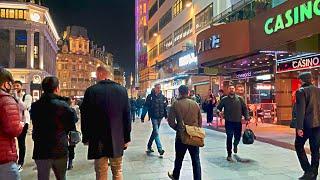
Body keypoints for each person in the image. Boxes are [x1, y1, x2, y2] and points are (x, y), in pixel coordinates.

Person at [81, 66, 131, 180]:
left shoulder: (91, 91)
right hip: (117, 137)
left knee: (101, 171)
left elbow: (85, 117)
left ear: (100, 74)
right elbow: (127, 116)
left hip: (97, 138)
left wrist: (86, 137)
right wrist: (127, 138)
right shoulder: (122, 90)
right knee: (117, 170)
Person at [30, 77, 77, 180]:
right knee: (61, 177)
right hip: (59, 148)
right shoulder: (63, 105)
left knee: (42, 177)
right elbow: (72, 123)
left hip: (41, 149)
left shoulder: (35, 106)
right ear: (57, 88)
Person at [167, 85, 202, 180]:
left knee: (179, 158)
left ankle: (175, 176)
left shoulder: (176, 104)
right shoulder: (195, 104)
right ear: (188, 92)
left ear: (179, 92)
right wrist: (195, 130)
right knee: (196, 160)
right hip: (193, 136)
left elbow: (170, 121)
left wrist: (178, 129)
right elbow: (200, 121)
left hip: (181, 136)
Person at [294, 72, 320, 180]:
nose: (299, 82)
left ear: (302, 80)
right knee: (315, 149)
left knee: (298, 146)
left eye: (300, 80)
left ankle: (308, 171)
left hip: (306, 125)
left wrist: (299, 127)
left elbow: (301, 111)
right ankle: (314, 173)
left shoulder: (301, 91)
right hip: (318, 125)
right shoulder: (319, 90)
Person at [0, 68, 23, 180]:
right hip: (3, 157)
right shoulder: (6, 100)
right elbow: (13, 129)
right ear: (6, 84)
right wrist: (21, 125)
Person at [217, 84, 250, 162]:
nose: (231, 90)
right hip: (229, 122)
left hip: (238, 122)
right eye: (230, 88)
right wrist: (219, 112)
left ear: (234, 90)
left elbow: (245, 109)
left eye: (233, 88)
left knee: (237, 137)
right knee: (229, 137)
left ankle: (235, 144)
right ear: (228, 90)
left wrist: (247, 117)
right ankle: (229, 154)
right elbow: (218, 108)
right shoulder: (224, 99)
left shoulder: (240, 99)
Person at [13, 80, 32, 172]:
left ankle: (20, 162)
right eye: (14, 86)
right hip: (14, 121)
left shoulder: (27, 96)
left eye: (17, 85)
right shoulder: (12, 96)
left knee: (21, 142)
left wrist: (18, 98)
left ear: (21, 86)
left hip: (24, 122)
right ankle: (13, 160)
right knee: (12, 142)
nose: (16, 87)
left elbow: (25, 107)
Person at [145, 84, 167, 156]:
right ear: (154, 88)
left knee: (154, 132)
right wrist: (142, 116)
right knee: (156, 132)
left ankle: (149, 145)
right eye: (157, 88)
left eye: (160, 88)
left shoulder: (162, 97)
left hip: (160, 117)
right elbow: (146, 106)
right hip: (153, 116)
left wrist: (166, 115)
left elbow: (164, 107)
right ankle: (160, 149)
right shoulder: (150, 97)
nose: (159, 89)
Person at [60, 97, 78, 171]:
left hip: (62, 132)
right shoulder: (72, 110)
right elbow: (76, 120)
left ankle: (64, 163)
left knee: (63, 148)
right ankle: (70, 163)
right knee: (71, 148)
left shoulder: (59, 111)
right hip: (71, 132)